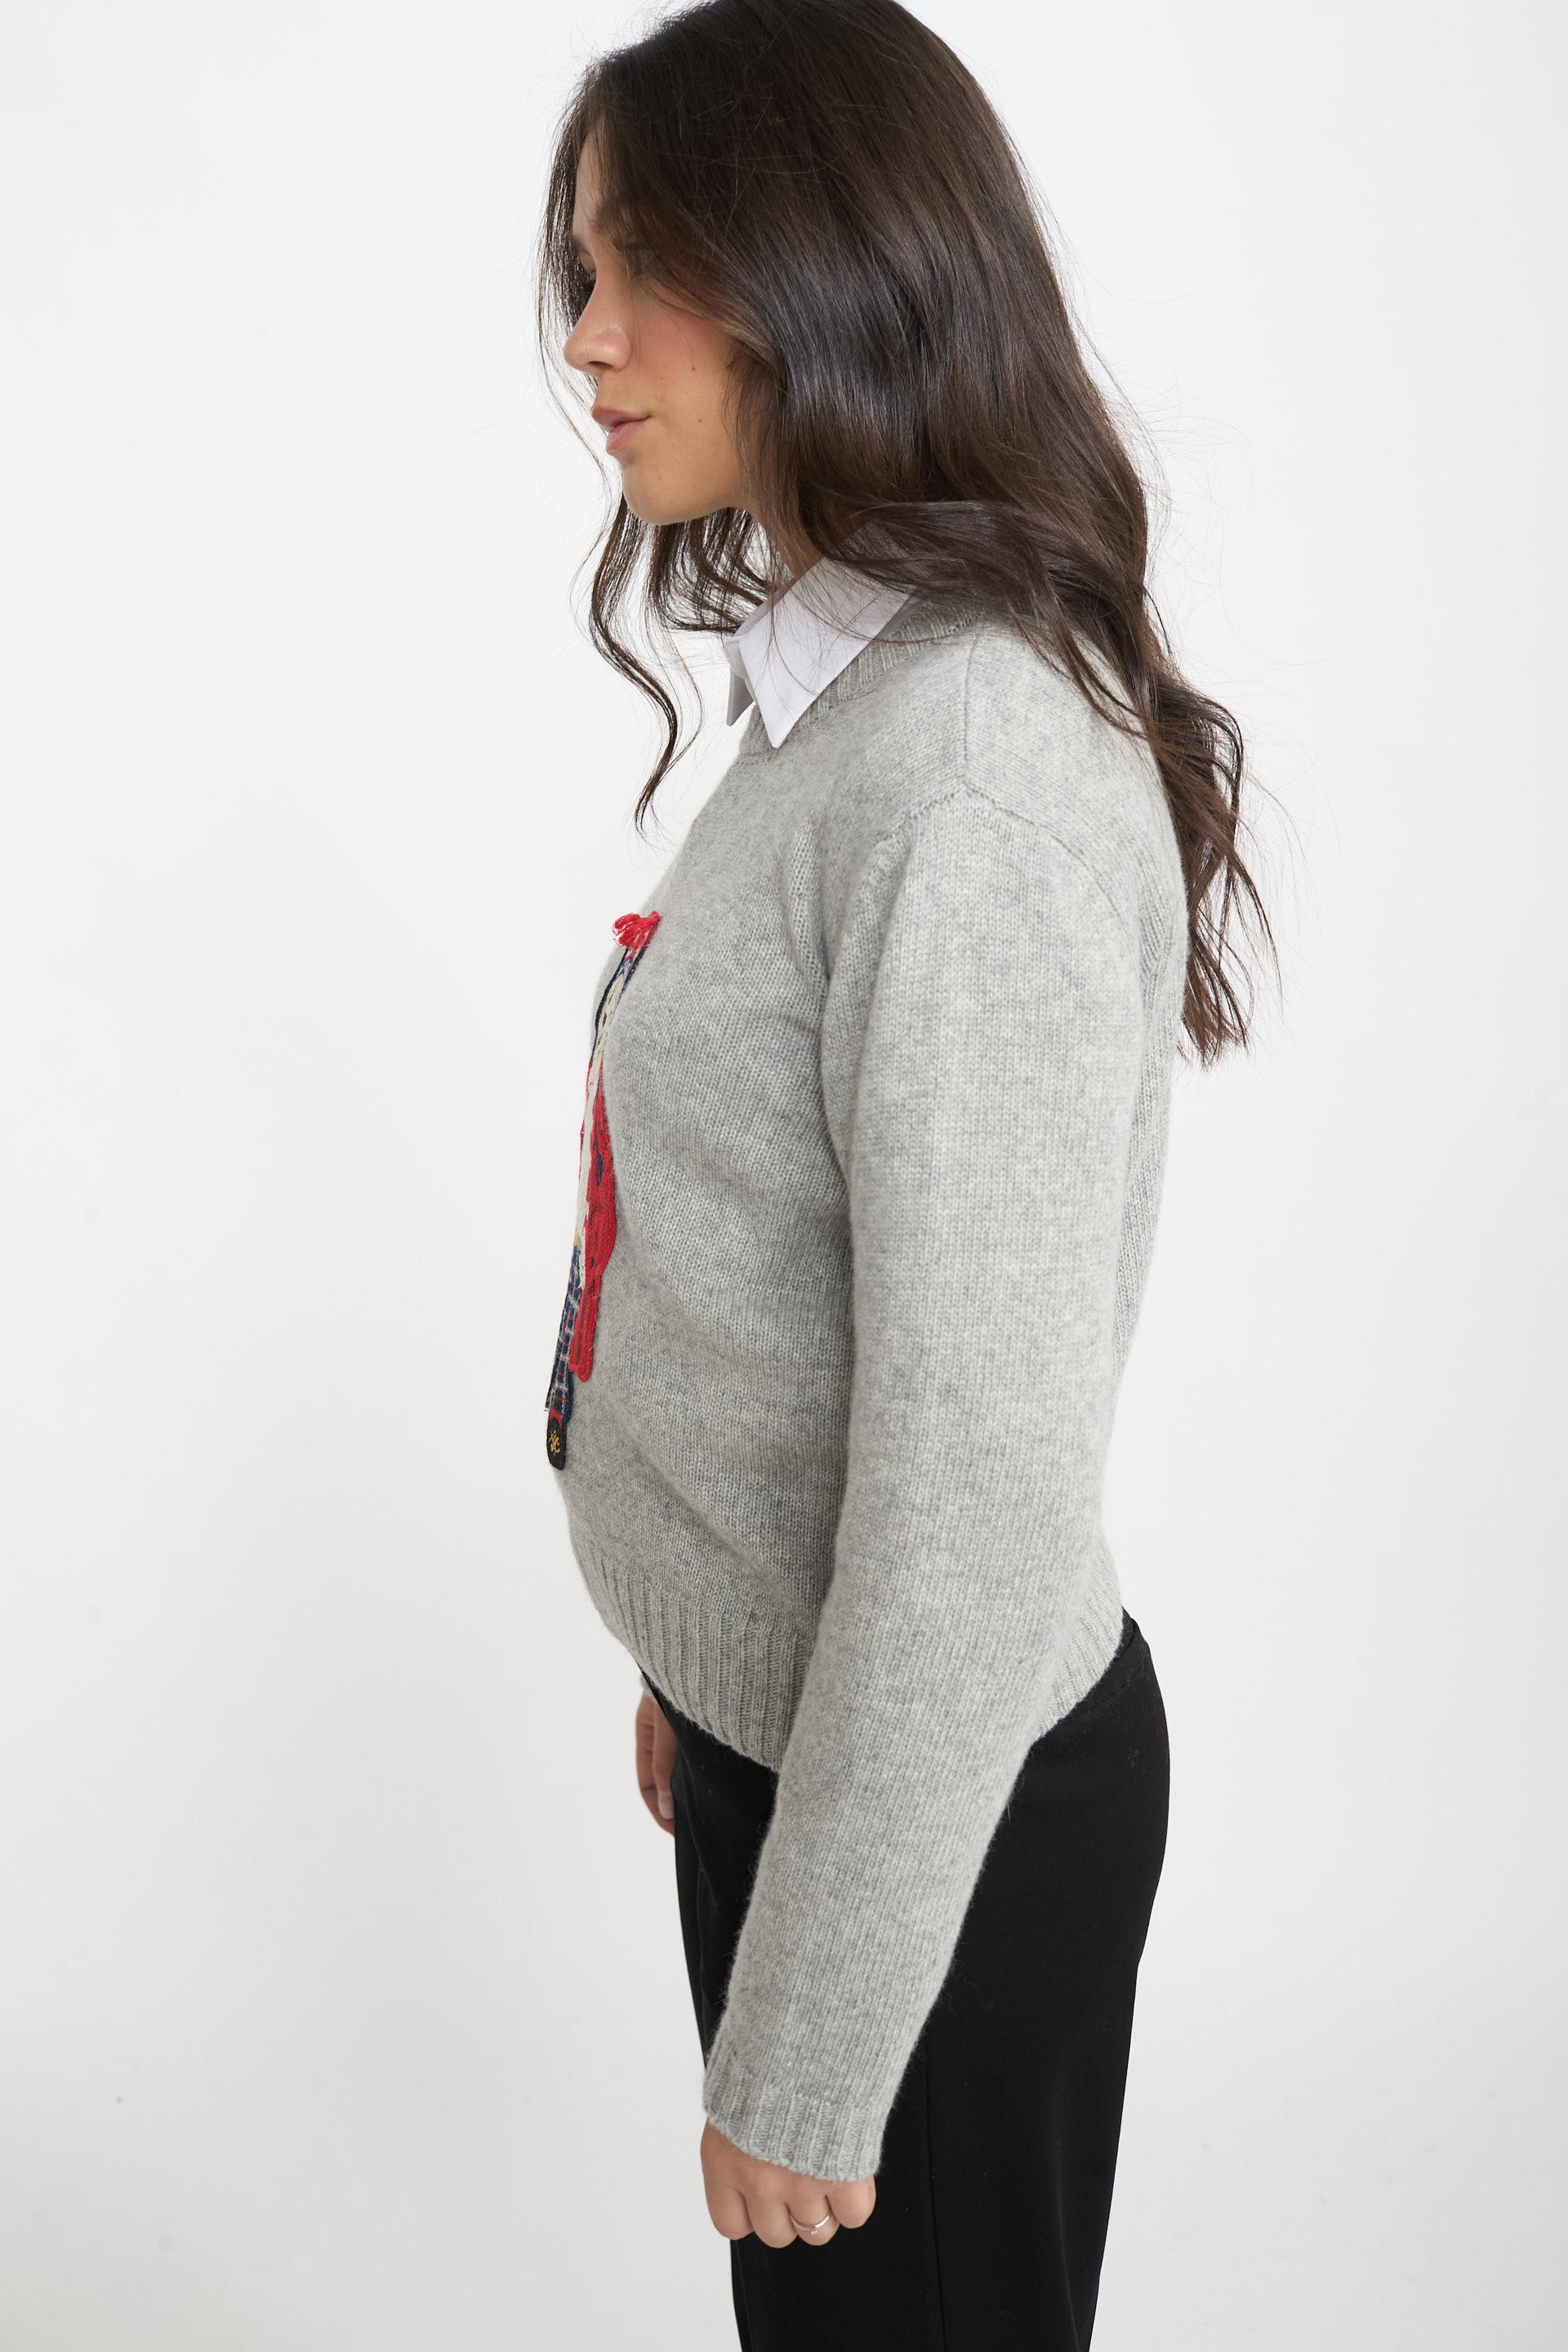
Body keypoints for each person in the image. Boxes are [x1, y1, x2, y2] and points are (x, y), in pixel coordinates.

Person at [535, 3, 1272, 2343]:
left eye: (646, 267)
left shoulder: (968, 781)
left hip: (935, 1839)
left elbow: (973, 1479)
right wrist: (711, 1652)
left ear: (835, 272)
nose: (588, 341)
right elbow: (785, 1281)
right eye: (579, 272)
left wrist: (822, 2033)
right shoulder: (849, 707)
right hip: (819, 1752)